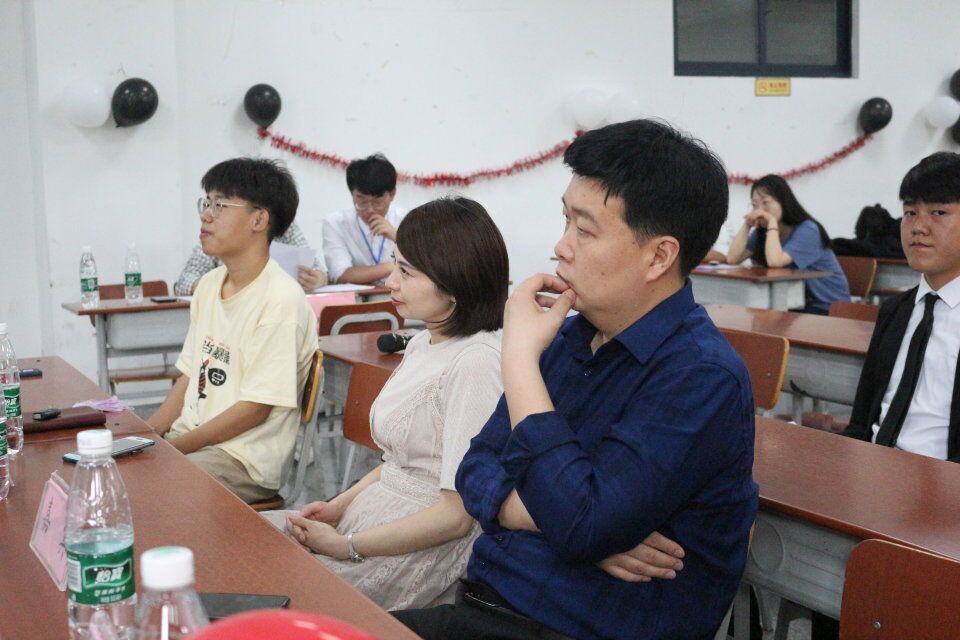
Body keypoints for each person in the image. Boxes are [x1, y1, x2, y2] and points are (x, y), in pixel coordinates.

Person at [394, 119, 758, 640]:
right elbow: (475, 469)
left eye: (584, 231)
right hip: (485, 610)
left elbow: (583, 524)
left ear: (659, 256)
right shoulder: (568, 338)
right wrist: (551, 519)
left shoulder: (701, 376)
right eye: (566, 220)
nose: (561, 247)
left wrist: (519, 360)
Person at [267, 197, 509, 611]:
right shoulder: (421, 341)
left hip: (421, 543)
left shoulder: (476, 363)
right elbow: (398, 461)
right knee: (252, 544)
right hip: (375, 516)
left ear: (455, 283)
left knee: (277, 590)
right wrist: (338, 507)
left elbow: (456, 517)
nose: (390, 283)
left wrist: (346, 546)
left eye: (406, 272)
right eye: (394, 266)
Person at [147, 158, 318, 504]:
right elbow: (190, 374)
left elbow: (255, 409)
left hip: (243, 460)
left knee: (155, 488)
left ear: (259, 220)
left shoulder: (280, 300)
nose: (206, 215)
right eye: (206, 202)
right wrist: (148, 434)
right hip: (196, 441)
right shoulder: (209, 285)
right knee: (122, 468)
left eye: (220, 205)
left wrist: (172, 450)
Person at [844, 152, 960, 461]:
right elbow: (861, 417)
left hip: (945, 481)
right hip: (876, 468)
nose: (918, 227)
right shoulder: (896, 310)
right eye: (910, 212)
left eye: (938, 212)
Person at [726, 174, 850, 314]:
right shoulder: (762, 232)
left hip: (828, 307)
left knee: (764, 319)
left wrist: (772, 223)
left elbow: (775, 261)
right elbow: (732, 259)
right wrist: (747, 224)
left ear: (783, 202)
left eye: (765, 203)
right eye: (754, 205)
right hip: (795, 304)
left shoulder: (808, 230)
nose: (759, 210)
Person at [174, 222, 327, 295]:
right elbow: (185, 282)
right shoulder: (221, 229)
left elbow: (317, 269)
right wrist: (222, 286)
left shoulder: (285, 226)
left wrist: (318, 279)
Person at [322, 154, 406, 285]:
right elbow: (339, 275)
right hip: (358, 296)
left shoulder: (407, 220)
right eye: (361, 201)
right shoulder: (335, 223)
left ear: (392, 194)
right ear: (352, 194)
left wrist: (397, 237)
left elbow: (426, 266)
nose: (369, 209)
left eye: (377, 202)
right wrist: (389, 267)